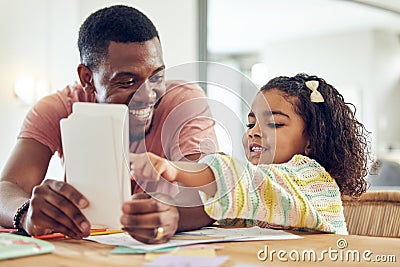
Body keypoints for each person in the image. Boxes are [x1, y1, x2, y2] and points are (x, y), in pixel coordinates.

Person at [0, 5, 218, 244]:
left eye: (157, 77)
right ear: (88, 79)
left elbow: (209, 185)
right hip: (88, 249)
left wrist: (173, 214)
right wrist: (25, 212)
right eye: (127, 81)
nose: (148, 94)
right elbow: (7, 187)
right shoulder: (58, 108)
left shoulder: (183, 101)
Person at [130, 73, 372, 234]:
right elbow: (221, 208)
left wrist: (176, 169)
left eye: (274, 124)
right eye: (250, 124)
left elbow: (251, 183)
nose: (254, 133)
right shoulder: (253, 194)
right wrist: (165, 212)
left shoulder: (313, 179)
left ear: (311, 140)